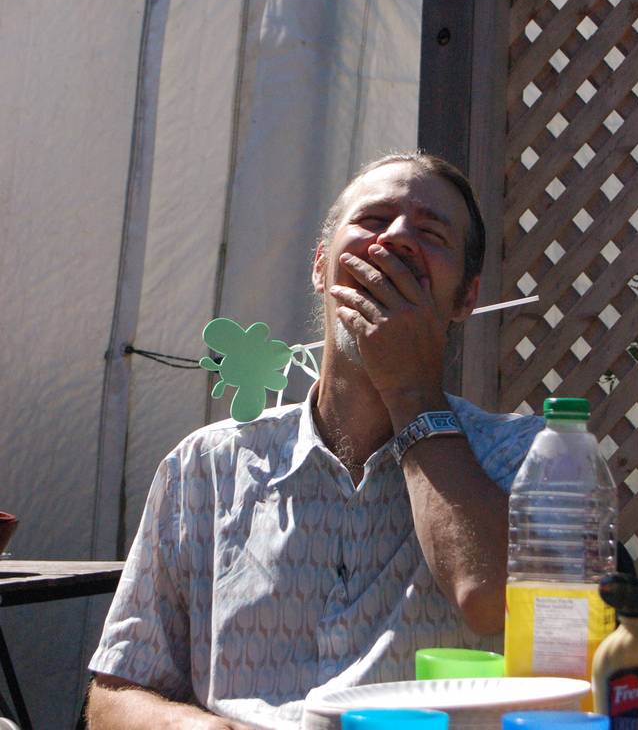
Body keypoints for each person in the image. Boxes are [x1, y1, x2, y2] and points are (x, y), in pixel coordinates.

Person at [87, 151, 543, 729]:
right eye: (372, 220)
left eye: (431, 233)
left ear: (466, 298)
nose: (396, 238)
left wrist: (411, 392)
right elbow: (113, 696)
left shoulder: (525, 458)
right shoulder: (205, 468)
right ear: (321, 265)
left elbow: (490, 599)